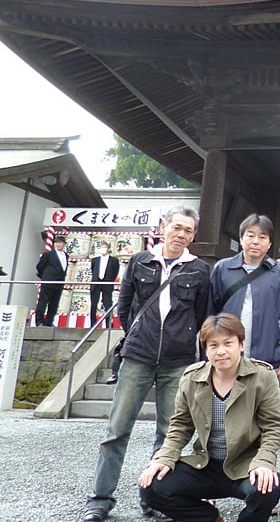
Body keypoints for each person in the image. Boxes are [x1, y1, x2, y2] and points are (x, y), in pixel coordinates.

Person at [82, 205, 211, 522]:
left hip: (178, 361)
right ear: (164, 226)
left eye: (188, 230)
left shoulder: (198, 270)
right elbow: (124, 306)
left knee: (169, 434)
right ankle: (99, 500)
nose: (181, 234)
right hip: (138, 356)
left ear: (193, 235)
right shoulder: (140, 261)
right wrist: (140, 334)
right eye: (177, 227)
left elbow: (201, 314)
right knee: (116, 429)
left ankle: (154, 499)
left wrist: (185, 340)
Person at [138, 313, 280, 522]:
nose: (221, 351)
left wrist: (264, 461)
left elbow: (273, 426)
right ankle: (209, 518)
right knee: (151, 486)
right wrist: (164, 458)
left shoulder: (262, 376)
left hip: (244, 464)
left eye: (228, 343)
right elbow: (180, 425)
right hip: (204, 464)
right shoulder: (192, 378)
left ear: (241, 345)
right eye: (213, 345)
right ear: (206, 350)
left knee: (268, 487)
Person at [208, 214, 280, 376]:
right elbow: (210, 314)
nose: (256, 241)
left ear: (269, 244)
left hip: (266, 356)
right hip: (225, 355)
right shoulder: (223, 269)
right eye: (250, 235)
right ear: (241, 239)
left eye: (262, 237)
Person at [35, 234, 68, 326]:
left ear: (64, 244)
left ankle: (49, 321)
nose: (58, 244)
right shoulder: (48, 254)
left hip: (59, 282)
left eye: (60, 243)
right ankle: (39, 321)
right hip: (49, 281)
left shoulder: (66, 255)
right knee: (43, 302)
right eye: (56, 242)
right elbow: (40, 266)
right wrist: (45, 276)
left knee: (54, 303)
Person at [89, 241, 120, 328]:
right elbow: (93, 270)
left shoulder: (114, 260)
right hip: (96, 283)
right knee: (94, 304)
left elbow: (115, 272)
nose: (103, 249)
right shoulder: (95, 260)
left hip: (107, 283)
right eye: (101, 247)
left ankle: (108, 324)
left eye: (105, 247)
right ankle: (92, 323)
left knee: (108, 304)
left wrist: (110, 280)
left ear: (109, 249)